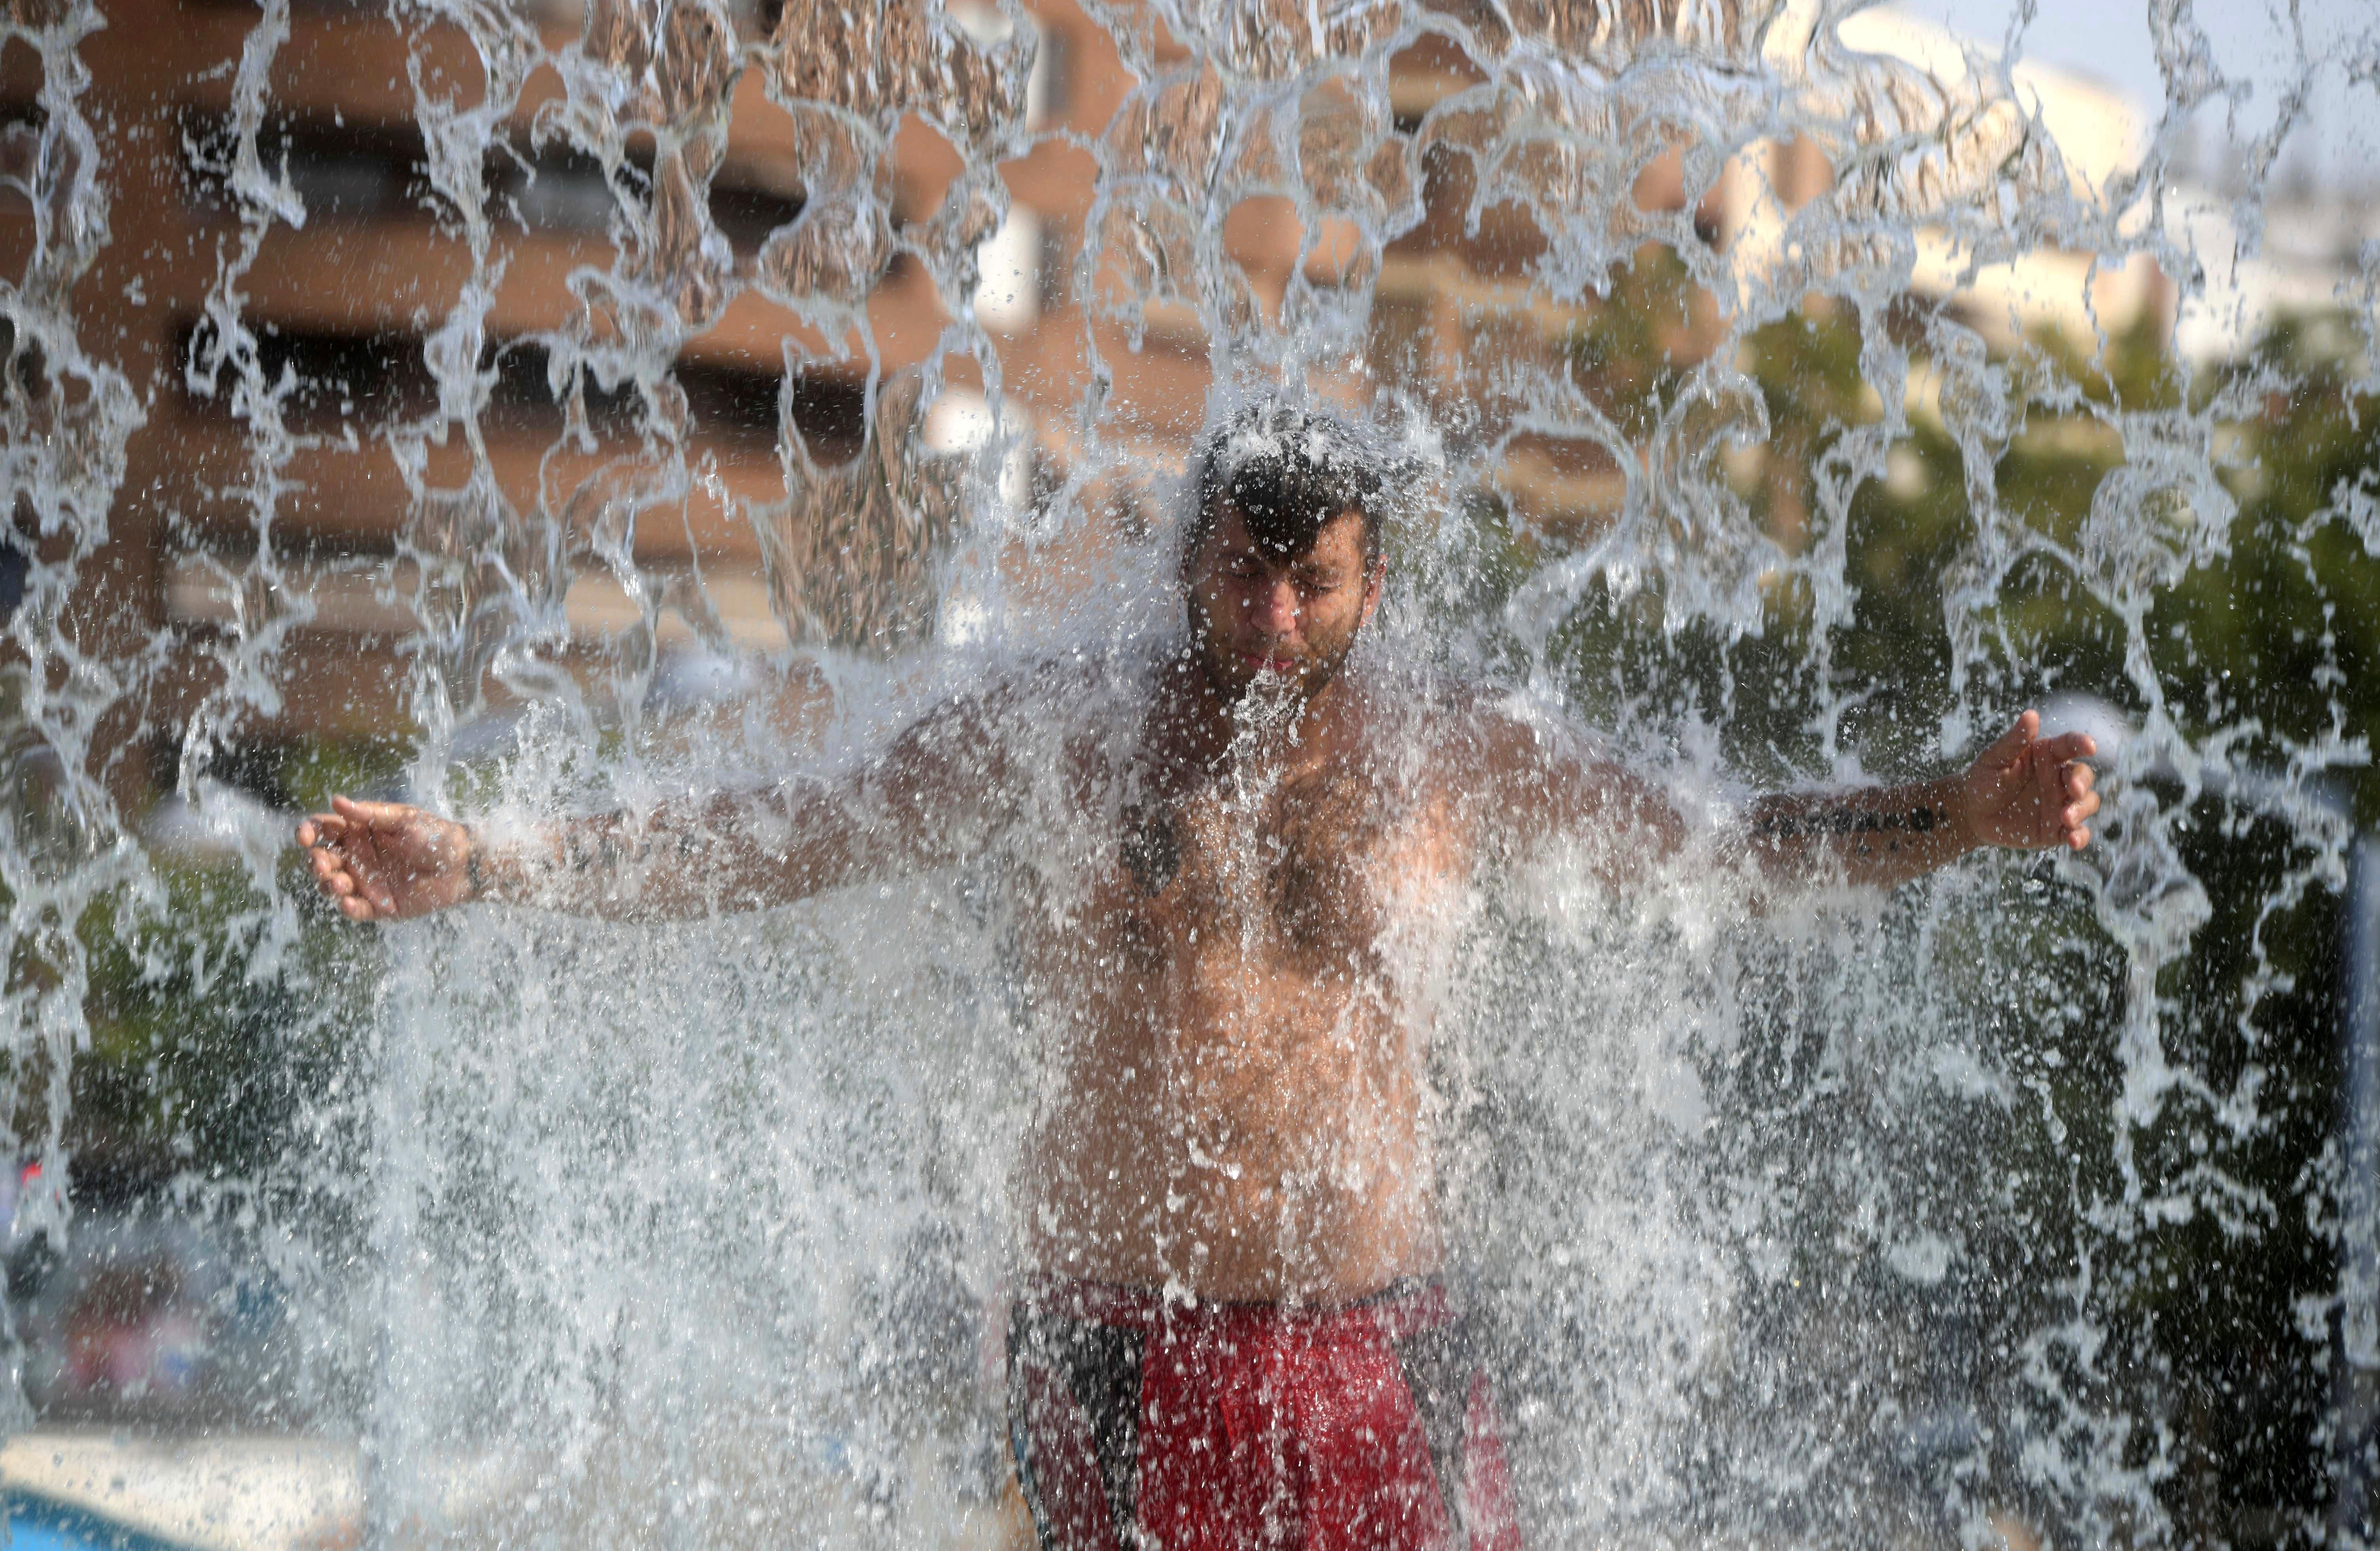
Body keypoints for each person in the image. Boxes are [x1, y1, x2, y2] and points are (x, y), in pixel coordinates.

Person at [299, 399, 2100, 1551]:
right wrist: (489, 860)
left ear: (1374, 577)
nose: (1272, 626)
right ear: (1190, 561)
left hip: (1381, 1338)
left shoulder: (1449, 754)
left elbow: (1723, 840)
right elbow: (786, 837)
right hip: (1119, 1343)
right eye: (1243, 580)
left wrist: (1956, 815)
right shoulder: (1064, 737)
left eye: (1312, 587)